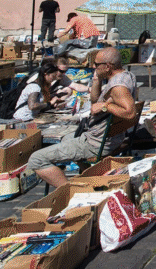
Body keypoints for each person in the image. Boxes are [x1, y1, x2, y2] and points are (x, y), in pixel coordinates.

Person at [30, 47, 137, 188]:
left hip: (96, 143)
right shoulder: (126, 76)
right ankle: (91, 178)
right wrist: (97, 79)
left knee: (36, 159)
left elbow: (130, 112)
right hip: (108, 137)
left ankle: (71, 192)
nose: (93, 66)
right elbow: (94, 101)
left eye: (97, 64)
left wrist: (105, 106)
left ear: (107, 66)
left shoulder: (118, 87)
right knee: (66, 138)